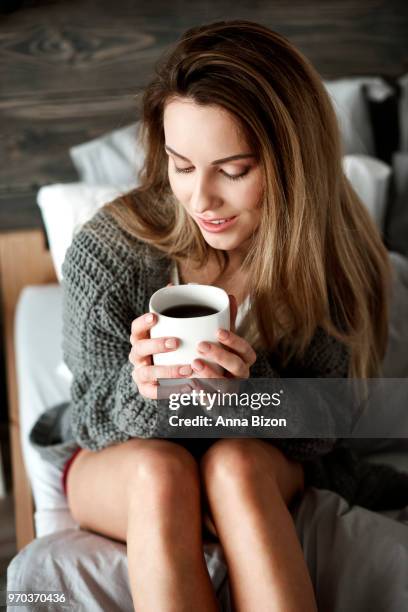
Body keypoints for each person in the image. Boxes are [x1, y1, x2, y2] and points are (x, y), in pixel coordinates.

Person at [28, 19, 406, 612]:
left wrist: (249, 396)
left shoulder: (335, 255)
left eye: (233, 171)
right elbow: (92, 417)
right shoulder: (110, 252)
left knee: (233, 465)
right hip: (123, 459)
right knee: (163, 474)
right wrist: (143, 389)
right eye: (181, 166)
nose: (201, 199)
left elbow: (329, 419)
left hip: (257, 458)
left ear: (292, 163)